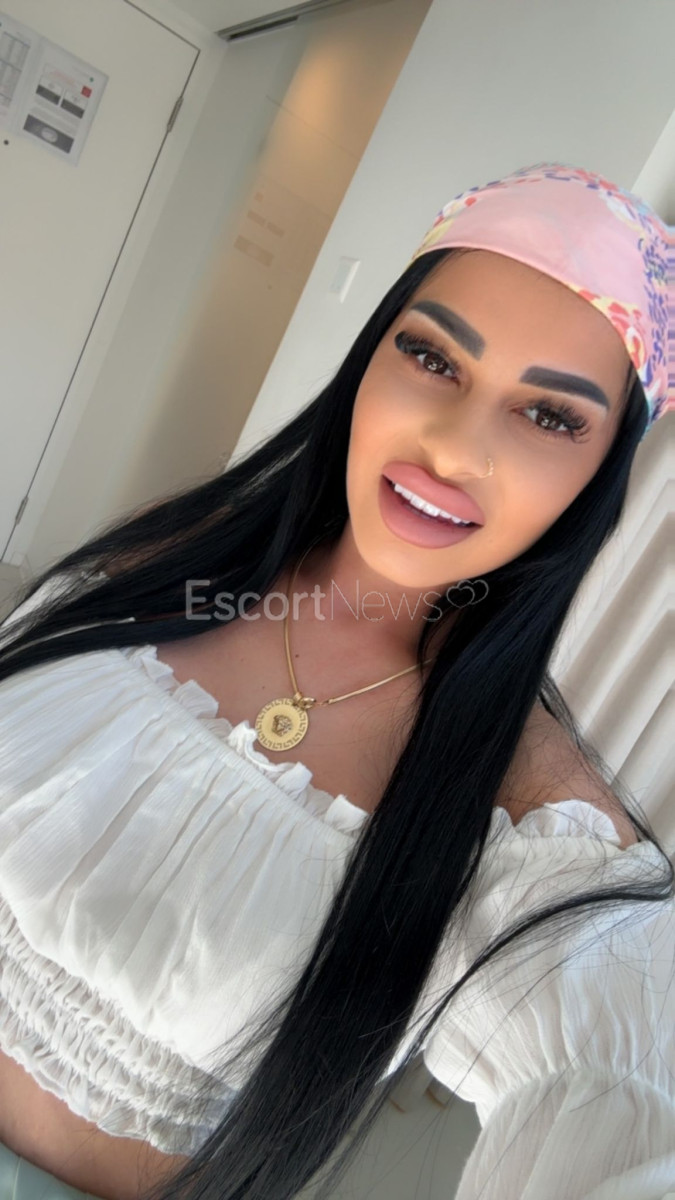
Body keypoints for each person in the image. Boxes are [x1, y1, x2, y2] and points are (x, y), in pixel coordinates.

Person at [0, 161, 673, 1200]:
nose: (451, 447)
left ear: (599, 473)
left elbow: (616, 1078)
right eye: (432, 356)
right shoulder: (157, 563)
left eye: (549, 416)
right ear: (370, 359)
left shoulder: (530, 816)